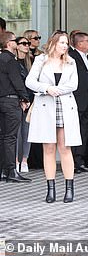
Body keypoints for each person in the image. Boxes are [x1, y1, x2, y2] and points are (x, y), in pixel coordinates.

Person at [26, 31, 81, 202]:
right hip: (46, 106)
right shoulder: (41, 60)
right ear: (54, 43)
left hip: (65, 105)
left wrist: (58, 90)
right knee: (48, 148)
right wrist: (46, 88)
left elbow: (74, 84)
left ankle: (69, 188)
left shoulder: (71, 62)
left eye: (66, 43)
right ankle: (50, 189)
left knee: (65, 147)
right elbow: (30, 81)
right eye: (62, 42)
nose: (65, 46)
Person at [0, 31, 31, 183]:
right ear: (9, 43)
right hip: (12, 102)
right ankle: (11, 171)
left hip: (1, 101)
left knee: (3, 136)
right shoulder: (11, 60)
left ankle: (3, 171)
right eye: (15, 40)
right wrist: (25, 98)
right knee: (11, 137)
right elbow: (17, 82)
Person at [68, 32, 88, 172]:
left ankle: (80, 159)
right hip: (78, 99)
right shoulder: (72, 56)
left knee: (84, 129)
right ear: (79, 43)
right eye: (87, 41)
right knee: (76, 130)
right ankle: (73, 161)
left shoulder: (86, 57)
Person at [15, 36, 34, 173]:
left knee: (27, 131)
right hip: (18, 99)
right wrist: (22, 99)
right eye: (23, 43)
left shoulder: (31, 62)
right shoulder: (12, 62)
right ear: (16, 45)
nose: (26, 46)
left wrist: (30, 100)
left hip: (31, 100)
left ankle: (25, 160)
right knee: (17, 132)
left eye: (28, 43)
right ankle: (16, 160)